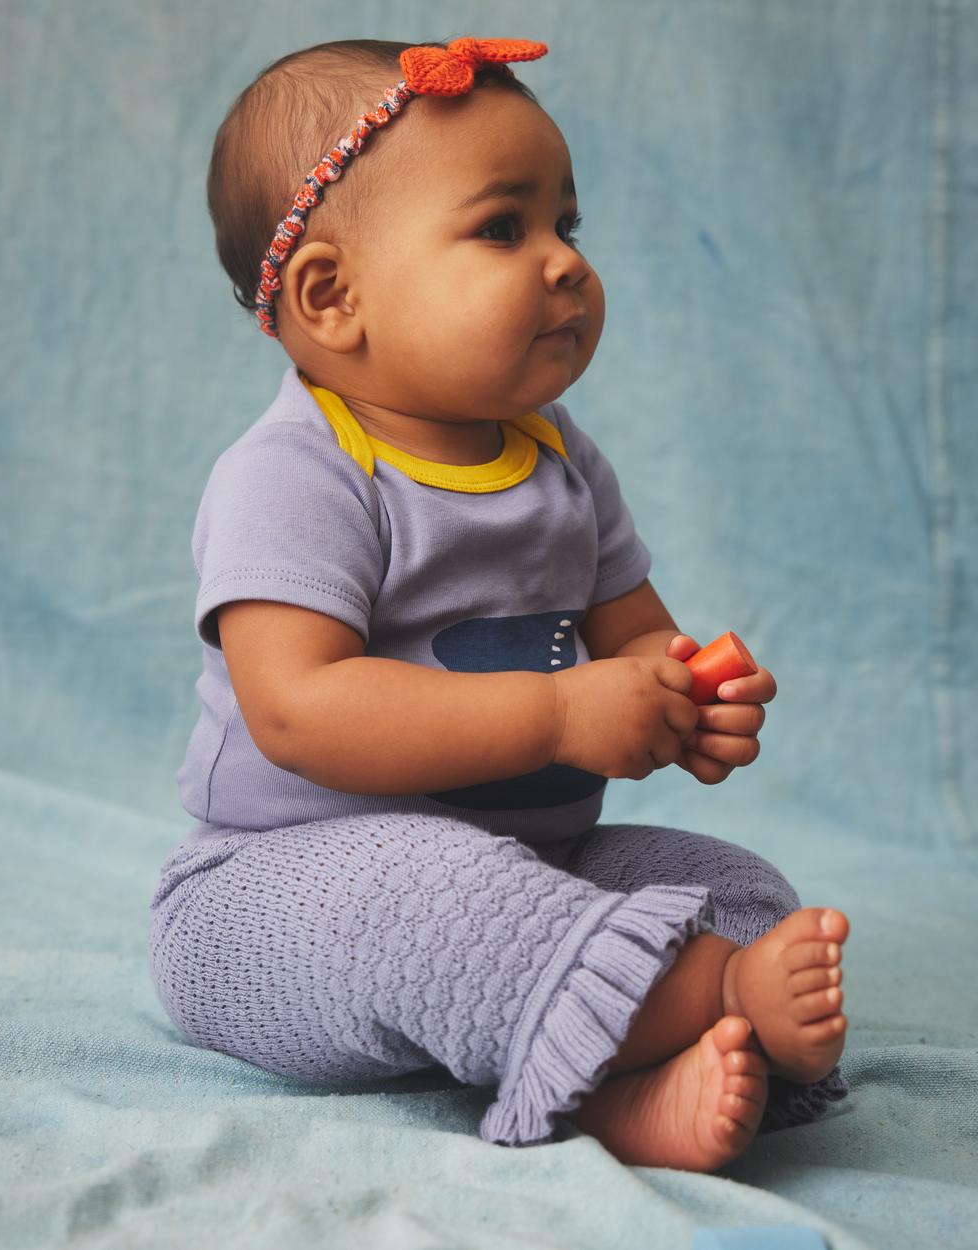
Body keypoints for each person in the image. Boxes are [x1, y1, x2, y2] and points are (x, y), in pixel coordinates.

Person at [148, 36, 850, 1171]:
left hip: (530, 866)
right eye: (503, 227)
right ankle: (704, 1003)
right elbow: (298, 709)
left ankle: (637, 1077)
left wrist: (691, 690)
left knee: (725, 882)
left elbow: (634, 631)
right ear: (333, 294)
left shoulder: (558, 458)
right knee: (431, 893)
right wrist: (564, 717)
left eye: (566, 225)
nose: (563, 262)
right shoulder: (298, 471)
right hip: (279, 899)